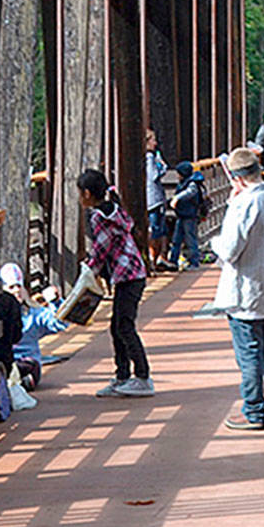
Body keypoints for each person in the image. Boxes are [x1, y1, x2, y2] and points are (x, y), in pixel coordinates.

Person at [212, 146, 264, 429]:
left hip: (246, 291)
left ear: (237, 179)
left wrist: (214, 242)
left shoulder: (243, 204)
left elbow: (229, 249)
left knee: (249, 356)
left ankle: (253, 411)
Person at [79, 167, 154, 398]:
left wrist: (88, 272)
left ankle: (142, 377)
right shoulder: (114, 209)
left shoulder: (98, 217)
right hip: (132, 274)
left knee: (124, 326)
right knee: (118, 326)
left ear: (88, 193)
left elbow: (101, 249)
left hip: (128, 276)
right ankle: (123, 377)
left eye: (80, 193)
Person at [2, 262, 67, 387]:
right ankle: (13, 381)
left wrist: (56, 302)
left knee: (29, 366)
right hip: (6, 361)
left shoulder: (34, 313)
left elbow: (59, 323)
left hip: (26, 362)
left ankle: (18, 381)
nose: (16, 290)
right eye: (11, 287)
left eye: (19, 286)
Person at [169, 160, 207, 270]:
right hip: (182, 215)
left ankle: (194, 262)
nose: (178, 176)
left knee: (190, 239)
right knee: (176, 239)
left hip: (190, 215)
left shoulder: (192, 183)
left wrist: (177, 198)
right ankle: (173, 261)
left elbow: (191, 192)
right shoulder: (185, 182)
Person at [143, 130, 172, 271]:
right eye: (153, 141)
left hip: (152, 198)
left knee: (159, 229)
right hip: (154, 199)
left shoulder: (148, 157)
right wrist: (163, 167)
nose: (155, 143)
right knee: (155, 230)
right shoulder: (149, 158)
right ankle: (153, 260)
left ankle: (157, 259)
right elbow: (153, 175)